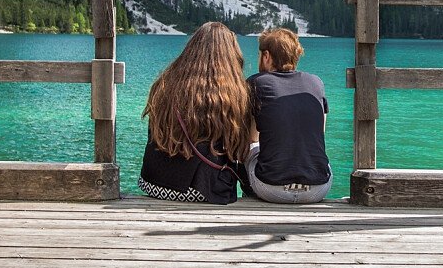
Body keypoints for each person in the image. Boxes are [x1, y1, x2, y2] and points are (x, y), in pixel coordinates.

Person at [138, 22, 252, 203]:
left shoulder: (165, 83)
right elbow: (238, 148)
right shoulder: (231, 93)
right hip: (202, 189)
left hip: (154, 184)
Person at [246, 28, 331, 203]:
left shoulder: (256, 83)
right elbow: (320, 132)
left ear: (267, 56)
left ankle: (249, 196)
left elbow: (251, 137)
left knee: (248, 149)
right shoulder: (315, 82)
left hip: (270, 189)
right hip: (318, 189)